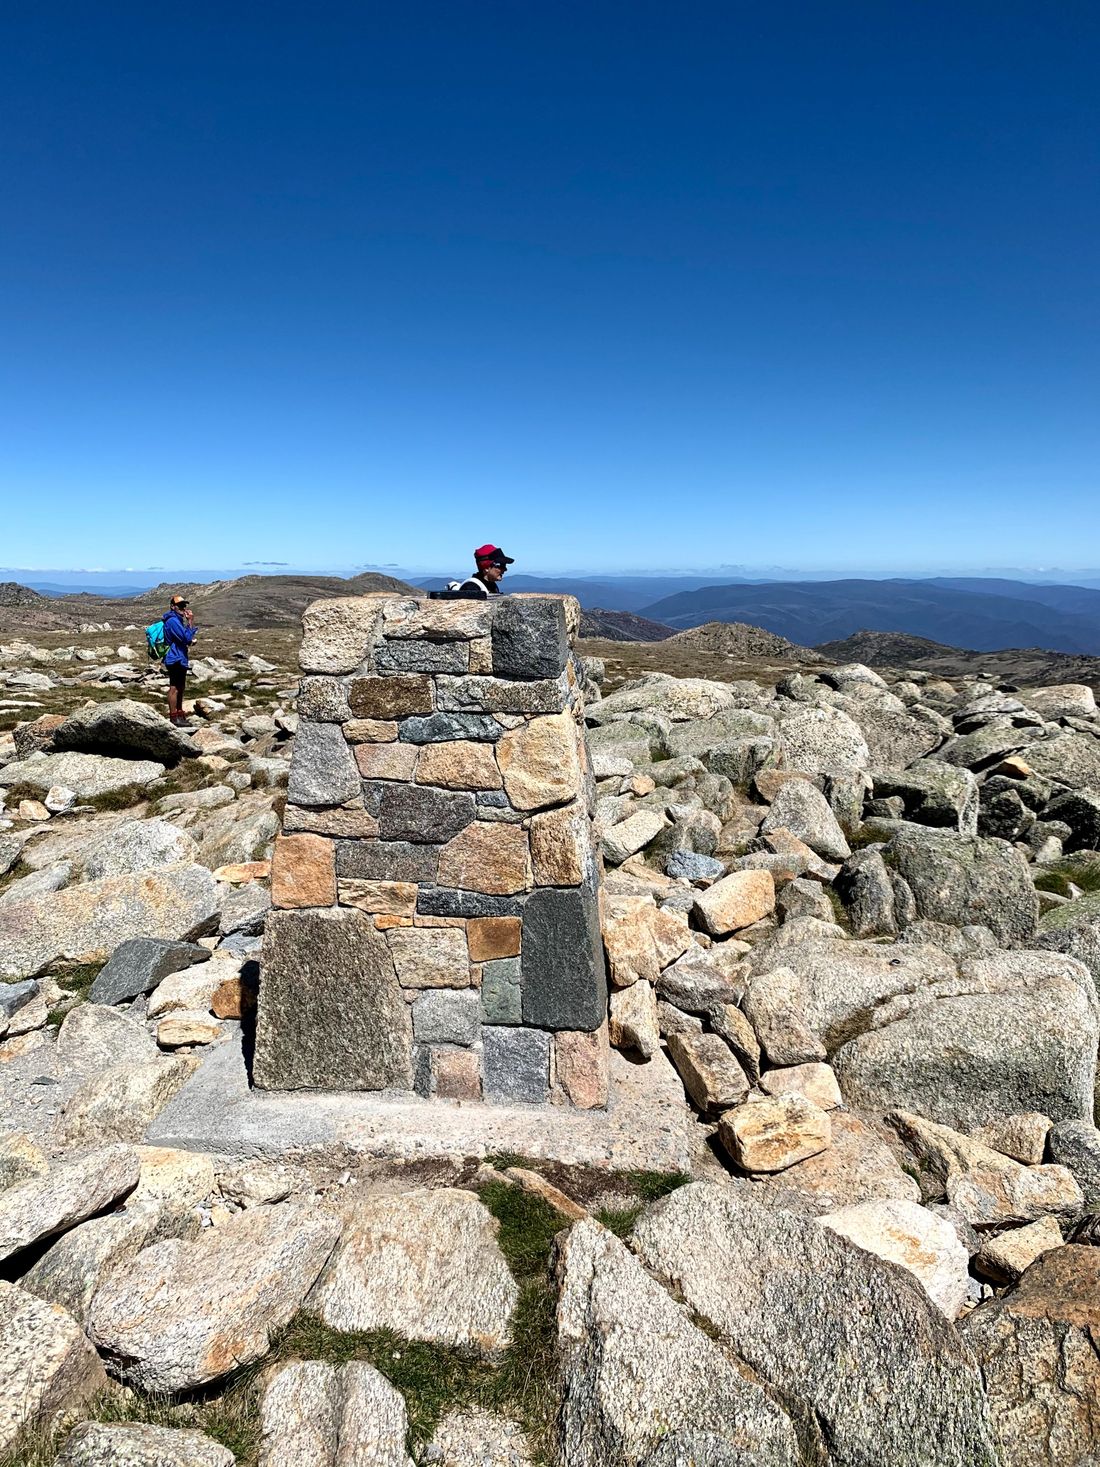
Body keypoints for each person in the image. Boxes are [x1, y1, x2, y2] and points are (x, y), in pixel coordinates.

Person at [163, 594, 197, 726]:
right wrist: (190, 622)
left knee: (181, 687)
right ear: (173, 607)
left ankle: (179, 714)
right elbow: (185, 639)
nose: (183, 608)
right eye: (180, 606)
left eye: (184, 606)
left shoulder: (177, 620)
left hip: (180, 657)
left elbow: (184, 638)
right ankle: (173, 717)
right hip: (174, 657)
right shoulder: (173, 621)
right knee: (174, 687)